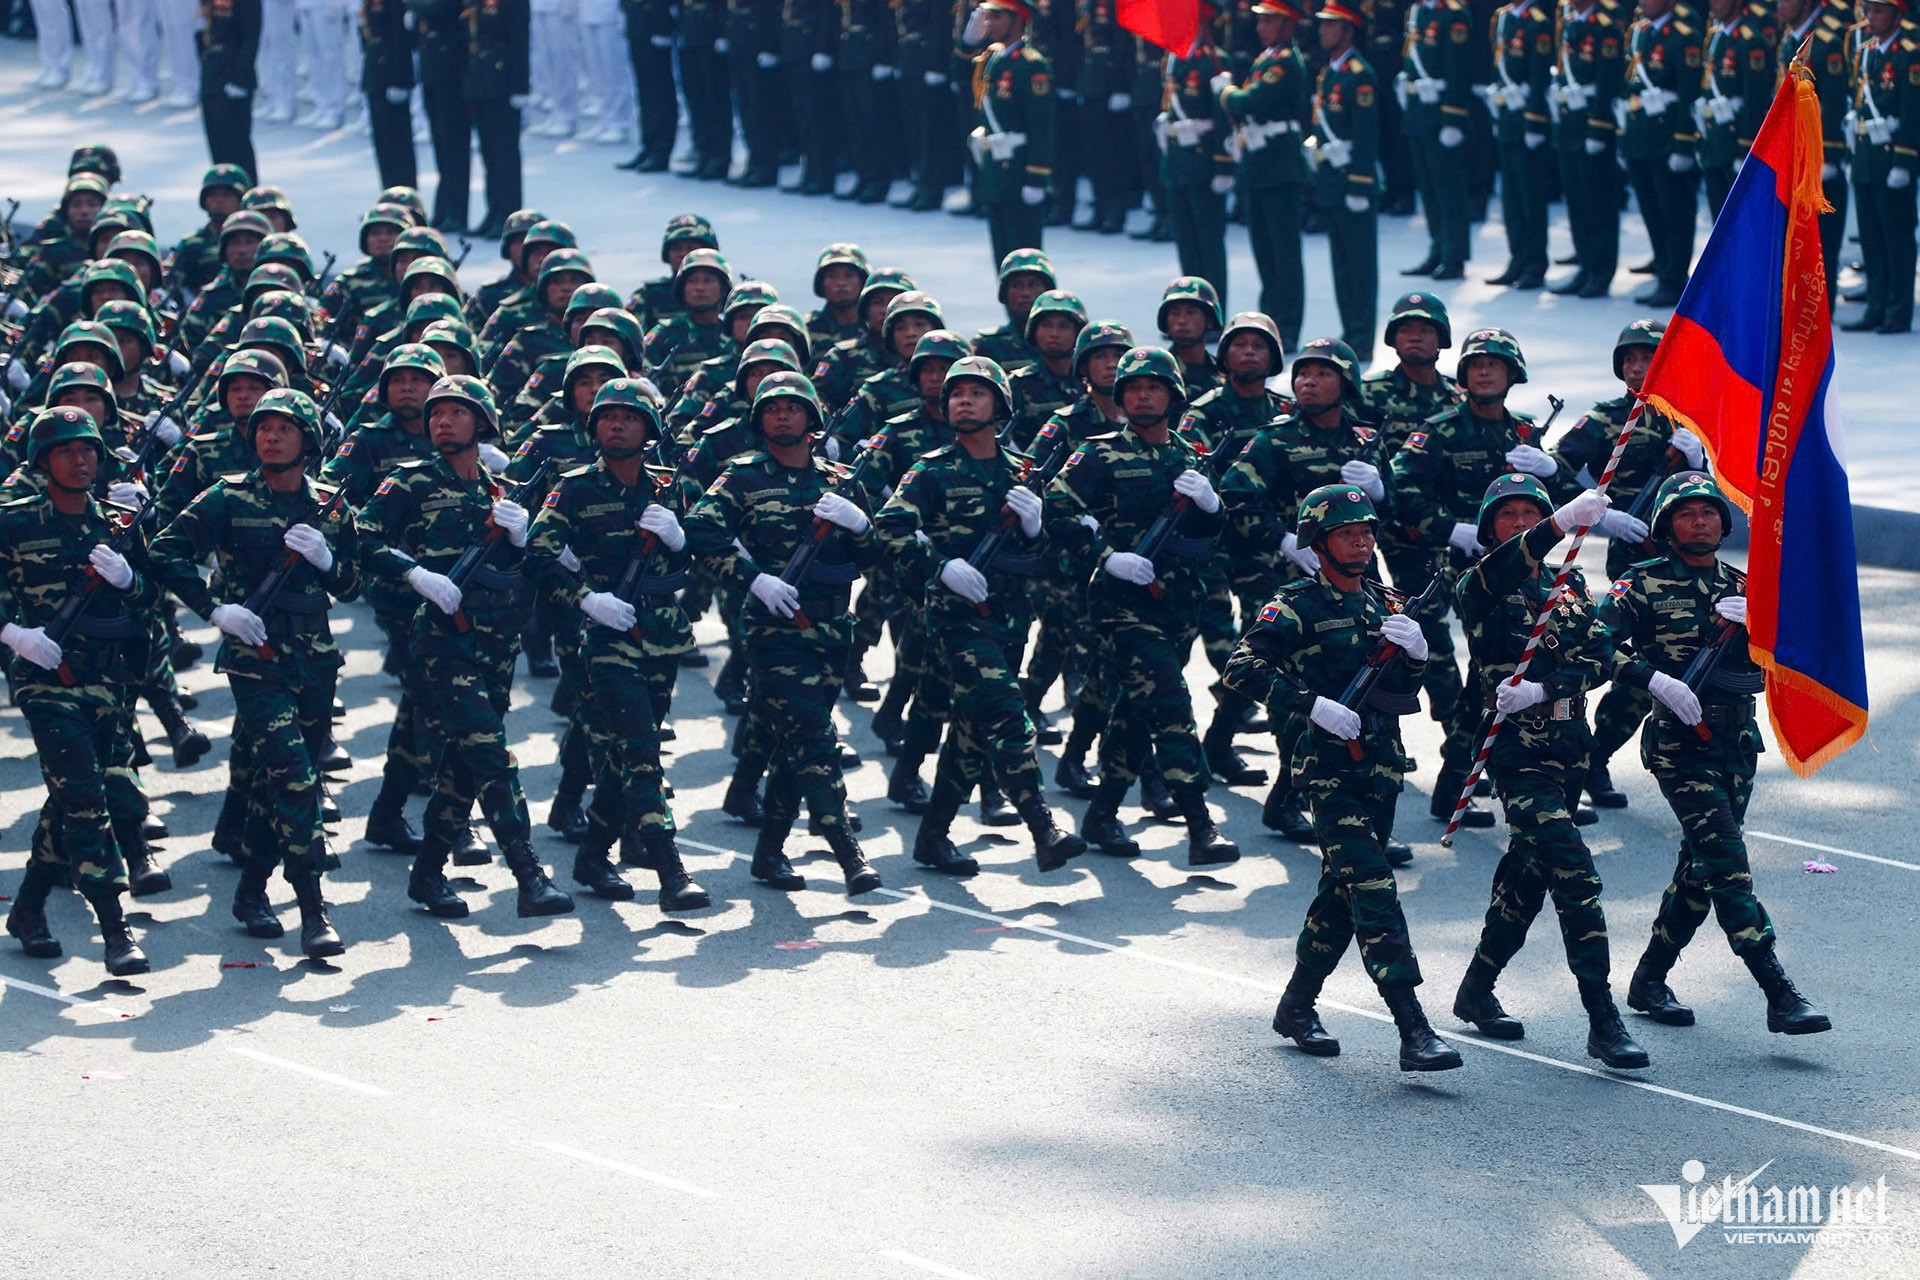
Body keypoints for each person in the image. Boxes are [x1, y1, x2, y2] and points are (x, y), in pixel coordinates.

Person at [1223, 483, 1461, 1071]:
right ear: (1318, 542)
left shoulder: (1386, 602)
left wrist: (1417, 654)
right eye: (1347, 532)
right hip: (1329, 772)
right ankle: (1414, 1029)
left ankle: (1296, 1006)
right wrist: (1311, 703)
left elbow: (1404, 692)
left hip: (1381, 769)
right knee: (1374, 891)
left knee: (1340, 894)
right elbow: (1241, 667)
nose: (1362, 541)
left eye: (1367, 531)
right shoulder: (1296, 602)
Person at [356, 375, 576, 920]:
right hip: (442, 640)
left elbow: (525, 575)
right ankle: (529, 873)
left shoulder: (498, 495)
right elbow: (361, 535)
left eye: (456, 412)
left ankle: (428, 873)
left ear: (482, 423)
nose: (442, 421)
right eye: (435, 414)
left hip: (497, 644)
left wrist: (522, 540)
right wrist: (415, 575)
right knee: (489, 751)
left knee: (461, 762)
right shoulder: (411, 480)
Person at [1451, 474, 1648, 1069]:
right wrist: (1556, 523)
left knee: (1526, 878)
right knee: (1575, 874)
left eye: (1526, 513)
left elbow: (1597, 653)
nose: (1516, 522)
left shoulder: (1568, 584)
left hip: (1569, 742)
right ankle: (1603, 1019)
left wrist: (1555, 684)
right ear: (1491, 529)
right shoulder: (1481, 582)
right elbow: (1506, 567)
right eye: (1506, 515)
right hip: (1514, 748)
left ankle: (1476, 988)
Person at [148, 388, 354, 957]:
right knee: (295, 777)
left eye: (284, 428)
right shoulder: (228, 497)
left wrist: (329, 560)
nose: (269, 435)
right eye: (263, 427)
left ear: (308, 441)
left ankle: (250, 891)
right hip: (255, 658)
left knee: (277, 783)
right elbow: (163, 551)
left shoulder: (330, 506)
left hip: (315, 658)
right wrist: (214, 610)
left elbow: (355, 582)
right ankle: (314, 910)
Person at [872, 355, 1089, 875]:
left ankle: (932, 838)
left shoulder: (1025, 474)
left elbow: (1065, 559)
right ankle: (1044, 826)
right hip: (954, 621)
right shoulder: (931, 469)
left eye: (977, 392)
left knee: (970, 732)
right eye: (956, 393)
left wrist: (1039, 529)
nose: (964, 400)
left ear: (1000, 406)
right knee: (1009, 716)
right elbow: (889, 529)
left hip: (1012, 619)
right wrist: (940, 566)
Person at [682, 371, 886, 896]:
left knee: (790, 739)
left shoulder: (840, 481)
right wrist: (754, 577)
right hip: (774, 630)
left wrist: (862, 526)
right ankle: (846, 850)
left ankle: (769, 853)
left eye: (793, 407)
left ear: (812, 420)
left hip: (832, 629)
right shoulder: (742, 476)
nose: (781, 415)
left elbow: (875, 558)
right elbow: (701, 529)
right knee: (816, 737)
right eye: (771, 408)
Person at [1046, 346, 1240, 868]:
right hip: (1121, 606)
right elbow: (1056, 508)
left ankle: (1102, 813)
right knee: (1172, 705)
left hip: (1178, 606)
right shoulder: (1098, 453)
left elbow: (1216, 534)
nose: (1142, 395)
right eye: (1132, 388)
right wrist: (1106, 557)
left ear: (1173, 395)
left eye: (1153, 387)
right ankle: (1200, 825)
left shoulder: (1191, 459)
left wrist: (1212, 505)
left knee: (1136, 710)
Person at [524, 377, 712, 910]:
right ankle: (671, 870)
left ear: (649, 429)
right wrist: (585, 598)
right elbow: (537, 551)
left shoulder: (672, 487)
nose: (616, 424)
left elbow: (702, 552)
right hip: (606, 638)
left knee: (623, 755)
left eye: (628, 417)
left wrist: (679, 543)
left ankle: (591, 856)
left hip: (663, 637)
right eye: (607, 417)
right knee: (641, 750)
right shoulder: (576, 485)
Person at [0, 408, 156, 976]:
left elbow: (151, 603)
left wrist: (130, 579)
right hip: (47, 681)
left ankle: (29, 908)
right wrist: (15, 635)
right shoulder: (13, 522)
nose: (80, 459)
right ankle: (115, 929)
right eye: (66, 451)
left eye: (87, 449)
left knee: (72, 795)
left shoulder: (116, 525)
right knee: (88, 798)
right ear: (43, 462)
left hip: (108, 680)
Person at [1549, 317, 1700, 810]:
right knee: (1638, 663)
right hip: (1635, 555)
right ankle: (1595, 756)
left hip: (1691, 558)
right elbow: (1557, 467)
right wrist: (1604, 515)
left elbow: (1734, 487)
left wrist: (1702, 462)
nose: (1637, 367)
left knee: (1690, 660)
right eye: (1629, 359)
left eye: (1647, 358)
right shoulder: (1607, 417)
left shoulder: (1694, 417)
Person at [1217, 2, 1312, 351]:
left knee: (1282, 249)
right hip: (1259, 165)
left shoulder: (1286, 60)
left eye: (1269, 21)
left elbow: (1252, 100)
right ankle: (1272, 316)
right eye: (1260, 20)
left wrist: (1226, 92)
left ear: (1288, 25)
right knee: (1264, 249)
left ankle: (1286, 324)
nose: (1261, 27)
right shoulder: (1267, 58)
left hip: (1279, 165)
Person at [1618, 0, 1701, 308]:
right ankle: (1662, 261)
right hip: (1641, 135)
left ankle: (1674, 277)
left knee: (1674, 210)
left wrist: (1683, 143)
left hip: (1668, 138)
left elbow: (1689, 93)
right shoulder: (1640, 33)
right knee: (1651, 208)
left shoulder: (1682, 35)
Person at [1843, 0, 1919, 335]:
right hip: (1866, 156)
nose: (1871, 17)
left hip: (1891, 159)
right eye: (1868, 10)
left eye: (1879, 11)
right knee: (1872, 238)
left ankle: (1898, 309)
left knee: (1897, 237)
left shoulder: (1909, 52)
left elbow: (1912, 111)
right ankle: (1875, 305)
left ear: (1897, 14)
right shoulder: (1867, 51)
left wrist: (1904, 160)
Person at [1309, 2, 1379, 358]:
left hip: (1352, 184)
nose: (1323, 31)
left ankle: (1362, 335)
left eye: (1330, 25)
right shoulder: (1331, 72)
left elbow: (1367, 137)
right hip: (1332, 182)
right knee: (1341, 265)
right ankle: (1350, 326)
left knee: (1359, 264)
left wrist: (1359, 183)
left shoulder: (1358, 74)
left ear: (1348, 30)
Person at [969, 0, 1057, 268]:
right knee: (1002, 261)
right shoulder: (991, 59)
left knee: (1025, 263)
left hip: (1018, 170)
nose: (988, 23)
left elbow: (1043, 126)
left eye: (996, 17)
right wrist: (965, 41)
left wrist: (1036, 177)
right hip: (995, 171)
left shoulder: (1032, 66)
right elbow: (957, 74)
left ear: (1017, 18)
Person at [1547, 0, 1624, 298]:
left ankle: (1600, 271)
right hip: (1569, 122)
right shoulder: (1571, 22)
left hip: (1592, 123)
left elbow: (1608, 81)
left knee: (1598, 202)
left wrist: (1598, 126)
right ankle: (1585, 264)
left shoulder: (1604, 27)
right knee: (1577, 201)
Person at [1159, 26, 1234, 305]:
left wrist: (1223, 166)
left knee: (1208, 243)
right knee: (1186, 243)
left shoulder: (1214, 59)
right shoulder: (1173, 59)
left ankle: (1213, 309)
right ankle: (1192, 309)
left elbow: (1223, 117)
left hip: (1204, 162)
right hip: (1178, 160)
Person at [1397, 0, 1472, 279]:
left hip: (1441, 112)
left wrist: (1453, 118)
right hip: (1419, 111)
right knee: (1428, 187)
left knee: (1448, 187)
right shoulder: (1418, 11)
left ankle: (1455, 254)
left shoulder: (1452, 14)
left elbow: (1457, 70)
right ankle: (1438, 247)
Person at [1486, 0, 1554, 290]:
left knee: (1530, 197)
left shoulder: (1536, 22)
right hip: (1507, 116)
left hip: (1526, 118)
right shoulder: (1503, 18)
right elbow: (1498, 63)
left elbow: (1539, 77)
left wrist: (1535, 121)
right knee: (1511, 198)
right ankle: (1517, 258)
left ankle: (1535, 263)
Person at [467, 0, 532, 239]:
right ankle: (494, 209)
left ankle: (510, 214)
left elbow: (519, 38)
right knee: (489, 153)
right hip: (480, 79)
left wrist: (520, 87)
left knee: (504, 152)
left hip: (503, 80)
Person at [198, 0, 261, 183]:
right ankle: (224, 195)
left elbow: (251, 35)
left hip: (233, 78)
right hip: (212, 76)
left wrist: (240, 79)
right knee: (218, 148)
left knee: (237, 149)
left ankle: (247, 198)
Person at [361, 0, 419, 190]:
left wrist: (399, 79)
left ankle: (405, 198)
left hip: (390, 73)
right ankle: (388, 192)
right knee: (383, 145)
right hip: (375, 73)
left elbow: (400, 36)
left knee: (398, 146)